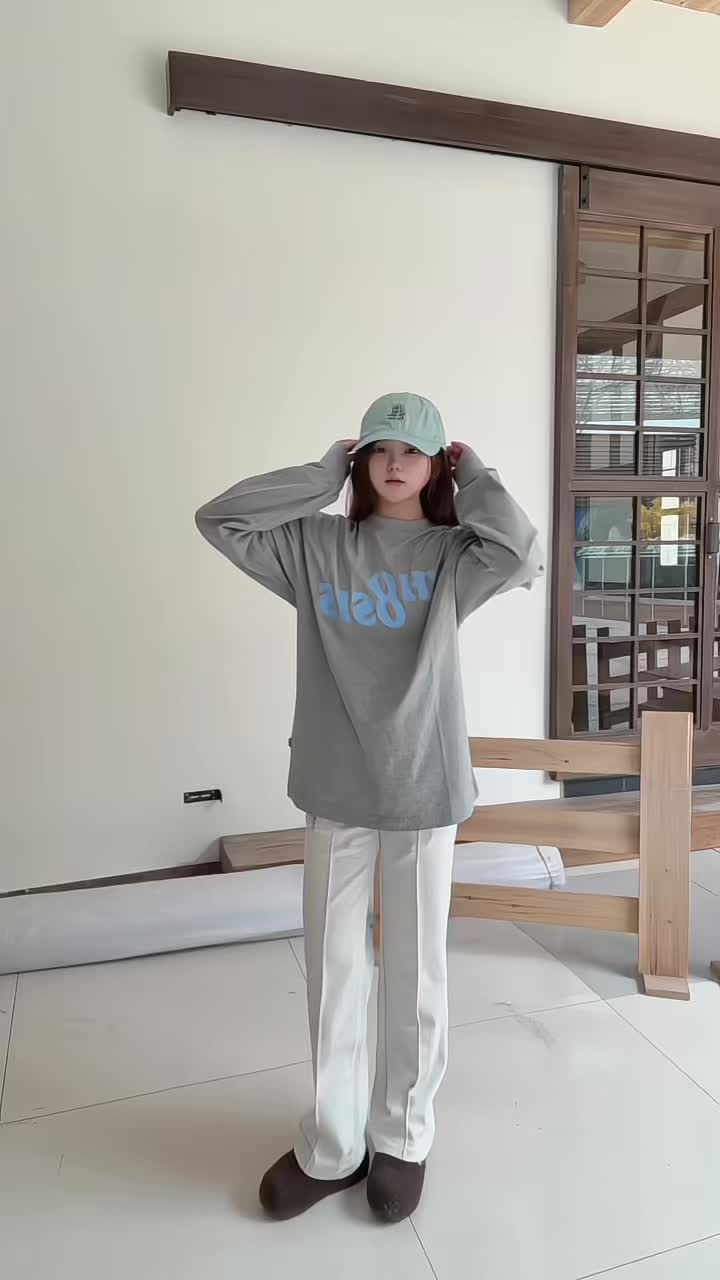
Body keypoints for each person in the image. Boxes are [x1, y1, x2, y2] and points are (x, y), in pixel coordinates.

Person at [195, 392, 542, 1224]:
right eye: (379, 448)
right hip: (335, 783)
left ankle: (404, 1139)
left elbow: (524, 554)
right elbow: (220, 519)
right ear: (360, 460)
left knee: (415, 974)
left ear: (436, 465)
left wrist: (476, 472)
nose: (394, 463)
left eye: (413, 451)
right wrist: (321, 474)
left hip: (423, 784)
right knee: (335, 973)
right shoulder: (316, 545)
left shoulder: (456, 555)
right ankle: (333, 1146)